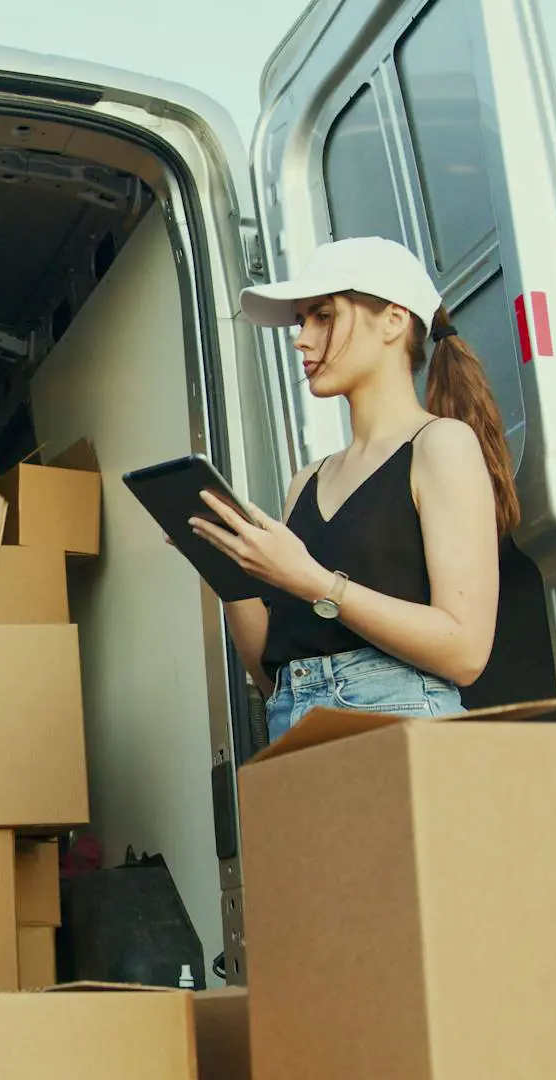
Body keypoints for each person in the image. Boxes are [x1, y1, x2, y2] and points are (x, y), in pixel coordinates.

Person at [187, 236, 518, 744]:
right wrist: (226, 568)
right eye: (302, 323)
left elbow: (465, 649)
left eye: (323, 317)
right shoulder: (307, 480)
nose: (301, 339)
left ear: (393, 320)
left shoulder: (441, 444)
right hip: (294, 725)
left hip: (401, 721)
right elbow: (272, 675)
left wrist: (314, 581)